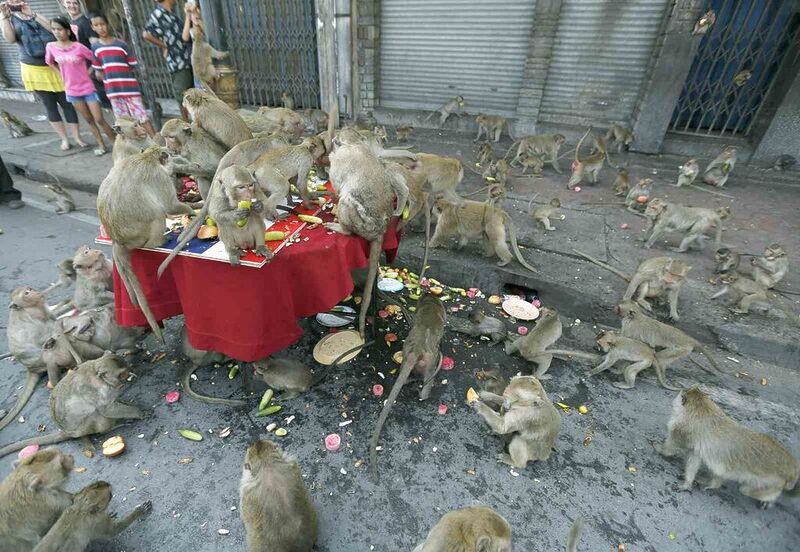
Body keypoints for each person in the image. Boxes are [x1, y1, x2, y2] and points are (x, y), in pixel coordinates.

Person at [0, 0, 83, 151]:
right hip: (33, 69)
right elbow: (10, 39)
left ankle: (77, 137)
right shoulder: (9, 19)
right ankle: (64, 139)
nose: (15, 3)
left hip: (55, 66)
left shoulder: (34, 14)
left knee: (67, 104)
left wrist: (31, 13)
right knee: (50, 105)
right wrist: (4, 17)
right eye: (11, 1)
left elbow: (53, 30)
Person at [45, 16, 115, 155]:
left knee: (99, 119)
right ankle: (101, 145)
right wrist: (61, 74)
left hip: (88, 88)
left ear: (68, 31)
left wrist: (89, 72)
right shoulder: (51, 47)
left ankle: (116, 145)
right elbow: (49, 62)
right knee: (89, 120)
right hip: (71, 90)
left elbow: (95, 58)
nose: (57, 32)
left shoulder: (78, 47)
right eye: (54, 29)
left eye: (60, 29)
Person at [90, 12, 157, 139]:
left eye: (102, 24)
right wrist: (107, 78)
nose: (100, 28)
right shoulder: (95, 48)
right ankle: (136, 148)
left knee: (142, 117)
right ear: (92, 27)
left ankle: (156, 144)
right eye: (96, 25)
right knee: (124, 123)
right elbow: (98, 71)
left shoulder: (121, 44)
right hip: (114, 92)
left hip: (130, 89)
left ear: (108, 25)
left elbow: (131, 64)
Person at [143, 0, 193, 120]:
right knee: (183, 93)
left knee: (191, 92)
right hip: (178, 61)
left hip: (187, 57)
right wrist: (164, 45)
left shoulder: (171, 12)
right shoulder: (159, 14)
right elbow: (146, 34)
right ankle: (186, 124)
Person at [59, 0, 110, 109]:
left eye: (75, 3)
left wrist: (95, 69)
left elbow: (97, 47)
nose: (72, 6)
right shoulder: (69, 23)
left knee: (107, 102)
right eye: (69, 2)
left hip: (92, 71)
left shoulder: (85, 23)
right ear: (63, 4)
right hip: (81, 73)